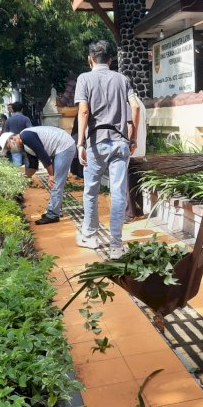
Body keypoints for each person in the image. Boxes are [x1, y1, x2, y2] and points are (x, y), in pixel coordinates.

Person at [74, 40, 141, 259]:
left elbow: (84, 112)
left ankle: (90, 235)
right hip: (120, 143)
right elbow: (136, 107)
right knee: (118, 192)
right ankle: (115, 245)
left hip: (95, 142)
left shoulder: (84, 78)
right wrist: (133, 137)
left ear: (90, 59)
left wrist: (81, 143)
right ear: (111, 60)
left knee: (91, 190)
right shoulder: (122, 79)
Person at [0, 125, 75, 225]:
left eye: (9, 147)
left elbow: (43, 155)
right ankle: (56, 211)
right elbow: (33, 166)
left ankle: (53, 215)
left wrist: (51, 175)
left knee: (55, 182)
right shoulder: (26, 146)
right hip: (59, 146)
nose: (11, 150)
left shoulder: (26, 136)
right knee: (55, 183)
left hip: (64, 146)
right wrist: (23, 180)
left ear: (12, 139)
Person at [125, 96, 147, 220]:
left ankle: (129, 214)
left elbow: (129, 125)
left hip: (131, 150)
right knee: (137, 183)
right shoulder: (140, 102)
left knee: (128, 184)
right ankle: (139, 212)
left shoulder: (130, 103)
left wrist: (129, 143)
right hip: (140, 150)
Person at [4, 101, 32, 167]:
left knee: (17, 165)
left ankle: (18, 176)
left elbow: (6, 134)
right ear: (22, 109)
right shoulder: (26, 119)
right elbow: (30, 131)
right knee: (28, 164)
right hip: (26, 143)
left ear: (13, 109)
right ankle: (28, 176)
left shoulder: (9, 120)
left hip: (14, 143)